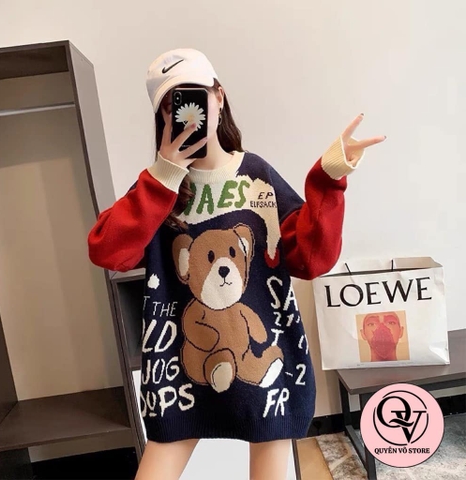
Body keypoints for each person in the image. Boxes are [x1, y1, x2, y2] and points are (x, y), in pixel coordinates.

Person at [87, 48, 386, 480]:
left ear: (219, 96)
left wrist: (327, 178)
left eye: (195, 96)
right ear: (162, 118)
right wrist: (164, 174)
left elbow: (310, 258)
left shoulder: (256, 175)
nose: (187, 113)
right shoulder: (159, 187)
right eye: (172, 105)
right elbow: (107, 250)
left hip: (261, 359)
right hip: (180, 371)